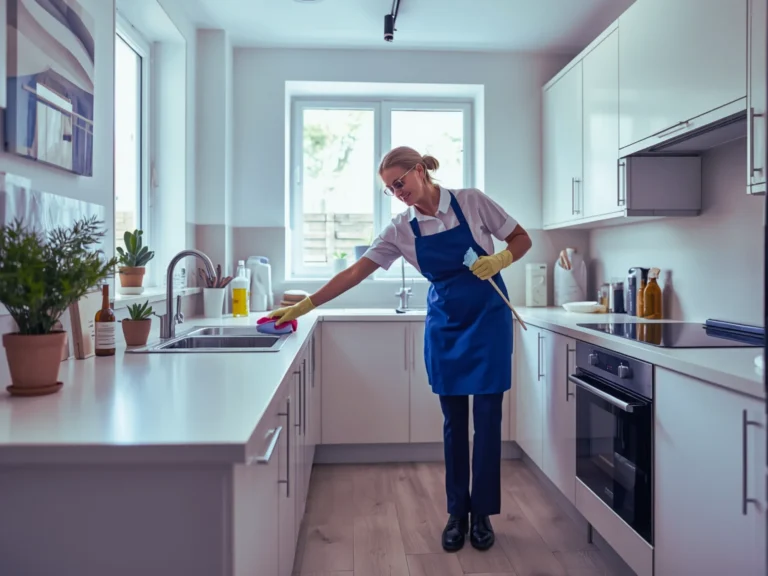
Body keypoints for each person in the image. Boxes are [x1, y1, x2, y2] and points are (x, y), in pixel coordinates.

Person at [269, 146, 532, 552]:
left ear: (419, 171)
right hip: (446, 325)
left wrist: (499, 260)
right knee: (453, 422)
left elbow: (521, 238)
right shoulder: (400, 229)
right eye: (390, 189)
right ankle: (456, 512)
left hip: (488, 320)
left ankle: (482, 513)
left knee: (488, 419)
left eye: (400, 182)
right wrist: (305, 305)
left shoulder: (471, 201)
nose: (397, 192)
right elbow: (356, 272)